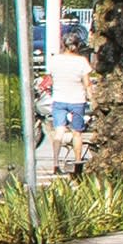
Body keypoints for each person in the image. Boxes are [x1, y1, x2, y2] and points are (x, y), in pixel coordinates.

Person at [49, 30, 93, 161]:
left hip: (59, 99)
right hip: (77, 100)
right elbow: (87, 83)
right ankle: (78, 161)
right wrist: (91, 98)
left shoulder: (55, 60)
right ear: (78, 45)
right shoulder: (82, 61)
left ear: (63, 44)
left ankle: (55, 163)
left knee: (59, 132)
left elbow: (51, 78)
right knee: (77, 133)